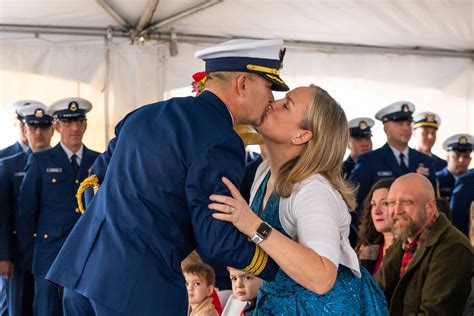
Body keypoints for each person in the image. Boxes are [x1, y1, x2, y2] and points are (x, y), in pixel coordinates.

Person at [45, 38, 288, 315]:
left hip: (82, 272)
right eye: (269, 87)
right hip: (135, 287)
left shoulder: (144, 115)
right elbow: (216, 239)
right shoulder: (221, 139)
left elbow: (93, 185)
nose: (272, 99)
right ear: (242, 84)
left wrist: (121, 225)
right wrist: (281, 267)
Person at [209, 85, 388, 314]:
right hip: (280, 302)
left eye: (286, 105)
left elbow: (322, 278)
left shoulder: (313, 189)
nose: (273, 102)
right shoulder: (265, 172)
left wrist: (253, 225)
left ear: (302, 136)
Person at [18, 98, 99, 316]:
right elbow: (26, 213)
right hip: (49, 255)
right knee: (46, 311)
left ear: (85, 125)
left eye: (79, 121)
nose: (75, 128)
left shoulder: (99, 160)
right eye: (68, 122)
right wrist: (30, 258)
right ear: (56, 126)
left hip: (86, 254)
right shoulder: (41, 161)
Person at [377, 173, 472, 315]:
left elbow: (433, 313)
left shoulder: (452, 248)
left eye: (407, 202)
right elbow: (374, 296)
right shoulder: (402, 244)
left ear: (430, 207)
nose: (396, 211)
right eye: (391, 203)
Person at [349, 101, 437, 245]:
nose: (406, 128)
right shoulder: (370, 160)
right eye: (400, 124)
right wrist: (369, 232)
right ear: (386, 128)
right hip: (379, 239)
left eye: (408, 124)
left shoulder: (424, 160)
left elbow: (433, 200)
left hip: (418, 238)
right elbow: (353, 200)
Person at [0, 103, 54, 316]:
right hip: (16, 252)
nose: (38, 132)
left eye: (43, 127)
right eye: (32, 127)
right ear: (23, 128)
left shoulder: (56, 160)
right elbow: (3, 215)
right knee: (16, 306)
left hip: (46, 248)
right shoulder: (8, 163)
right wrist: (3, 255)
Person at [356, 178, 395, 276]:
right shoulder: (365, 249)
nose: (377, 211)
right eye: (373, 204)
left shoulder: (410, 249)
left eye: (385, 203)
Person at [436, 134, 473, 200]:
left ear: (470, 159)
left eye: (466, 156)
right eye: (457, 156)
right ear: (448, 158)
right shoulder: (437, 180)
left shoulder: (471, 180)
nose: (461, 160)